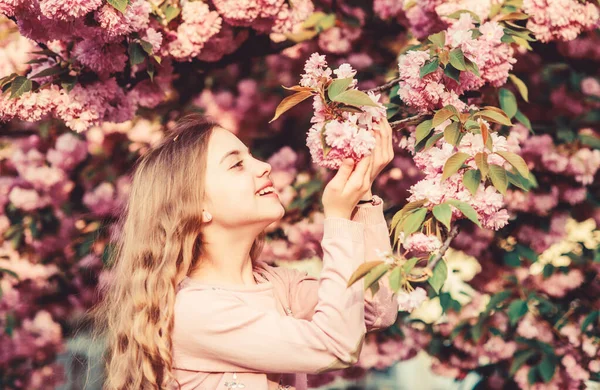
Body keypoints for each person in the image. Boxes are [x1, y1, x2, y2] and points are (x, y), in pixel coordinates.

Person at [91, 114, 399, 390]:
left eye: (251, 157)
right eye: (237, 164)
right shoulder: (194, 311)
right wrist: (338, 218)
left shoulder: (278, 285)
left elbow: (378, 308)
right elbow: (335, 346)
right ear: (197, 206)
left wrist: (362, 197)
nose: (264, 166)